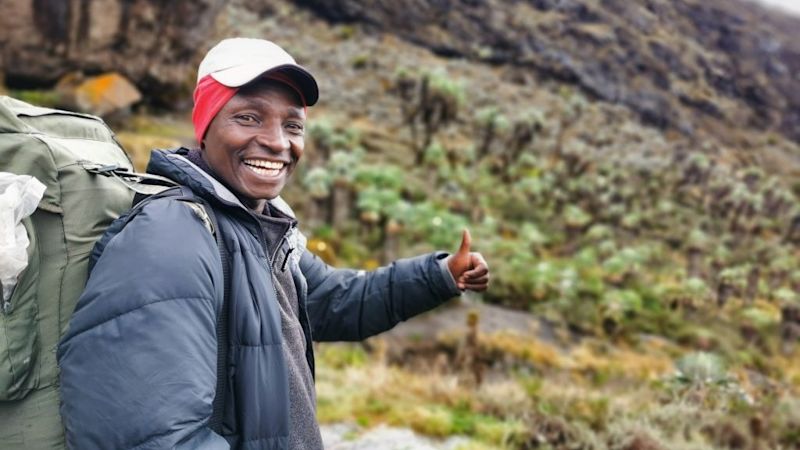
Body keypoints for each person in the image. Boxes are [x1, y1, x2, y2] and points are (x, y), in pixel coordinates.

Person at [56, 38, 489, 450]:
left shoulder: (258, 228)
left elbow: (339, 300)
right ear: (205, 127)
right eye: (249, 117)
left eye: (293, 125)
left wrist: (438, 275)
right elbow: (149, 435)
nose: (279, 142)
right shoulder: (170, 236)